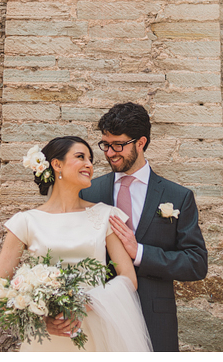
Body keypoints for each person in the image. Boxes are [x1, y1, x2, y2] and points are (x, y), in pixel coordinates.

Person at [0, 136, 152, 352]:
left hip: (95, 329)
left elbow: (129, 278)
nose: (89, 164)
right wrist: (41, 319)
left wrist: (81, 306)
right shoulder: (26, 222)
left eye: (90, 159)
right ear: (57, 165)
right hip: (47, 337)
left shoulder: (105, 215)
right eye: (80, 157)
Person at [74, 102, 208, 352]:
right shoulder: (89, 192)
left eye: (119, 145)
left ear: (141, 142)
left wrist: (140, 253)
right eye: (106, 145)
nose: (110, 153)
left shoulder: (177, 196)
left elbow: (196, 263)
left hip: (154, 319)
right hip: (97, 318)